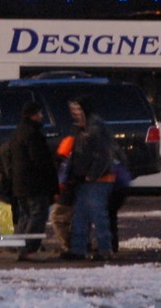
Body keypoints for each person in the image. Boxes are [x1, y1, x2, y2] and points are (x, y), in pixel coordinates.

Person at [62, 96, 115, 261]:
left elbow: (104, 155)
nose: (75, 112)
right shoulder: (83, 128)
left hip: (98, 180)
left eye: (77, 109)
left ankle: (104, 249)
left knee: (97, 215)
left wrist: (91, 174)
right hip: (86, 180)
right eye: (73, 109)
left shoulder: (95, 128)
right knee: (81, 215)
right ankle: (79, 249)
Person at [8, 100, 58, 260]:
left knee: (25, 215)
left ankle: (21, 246)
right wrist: (52, 184)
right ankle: (29, 249)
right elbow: (41, 162)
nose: (41, 116)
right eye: (39, 113)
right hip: (34, 184)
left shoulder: (18, 132)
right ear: (33, 115)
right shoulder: (33, 134)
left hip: (20, 184)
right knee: (37, 215)